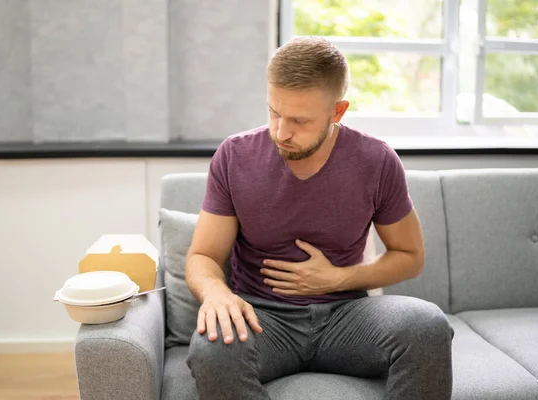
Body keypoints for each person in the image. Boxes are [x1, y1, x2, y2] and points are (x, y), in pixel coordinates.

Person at [184, 36, 454, 400]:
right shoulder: (234, 157)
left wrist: (338, 278)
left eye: (299, 120)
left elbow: (410, 256)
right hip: (263, 318)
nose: (281, 132)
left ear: (337, 112)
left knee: (428, 326)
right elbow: (202, 256)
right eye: (274, 113)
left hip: (347, 316)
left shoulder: (376, 161)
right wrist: (216, 292)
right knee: (211, 350)